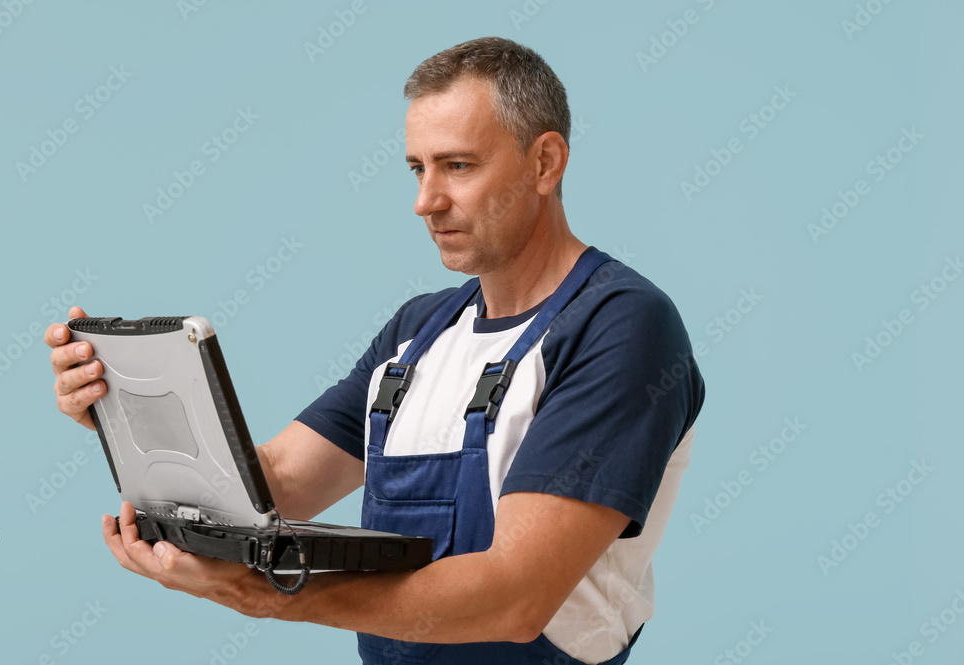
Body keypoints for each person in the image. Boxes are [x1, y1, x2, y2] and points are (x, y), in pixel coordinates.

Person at [45, 37, 705, 665]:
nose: (426, 200)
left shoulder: (620, 326)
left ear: (545, 161)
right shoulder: (417, 334)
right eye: (418, 168)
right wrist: (124, 415)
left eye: (458, 165)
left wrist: (271, 593)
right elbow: (274, 484)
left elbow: (516, 596)